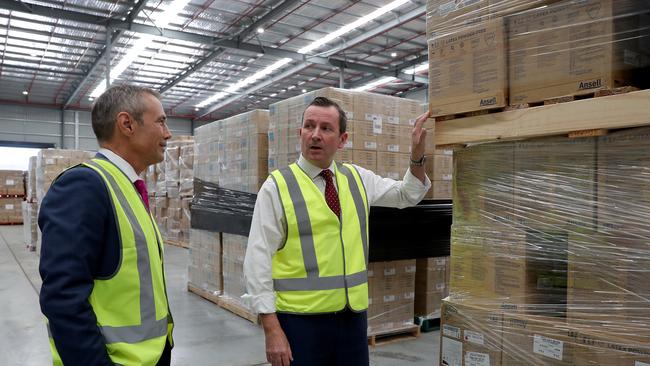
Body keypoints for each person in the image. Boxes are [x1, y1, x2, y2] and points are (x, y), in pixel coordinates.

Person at [243, 96, 431, 366]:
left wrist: (416, 154)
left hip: (351, 319)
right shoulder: (277, 187)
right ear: (300, 133)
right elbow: (257, 260)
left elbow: (407, 194)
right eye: (309, 126)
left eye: (325, 128)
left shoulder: (356, 179)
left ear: (342, 139)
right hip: (300, 322)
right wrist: (272, 330)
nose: (315, 135)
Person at [39, 85, 174, 366]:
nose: (168, 133)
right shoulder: (85, 185)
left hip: (150, 356)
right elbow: (63, 298)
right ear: (127, 124)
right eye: (160, 121)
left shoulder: (129, 186)